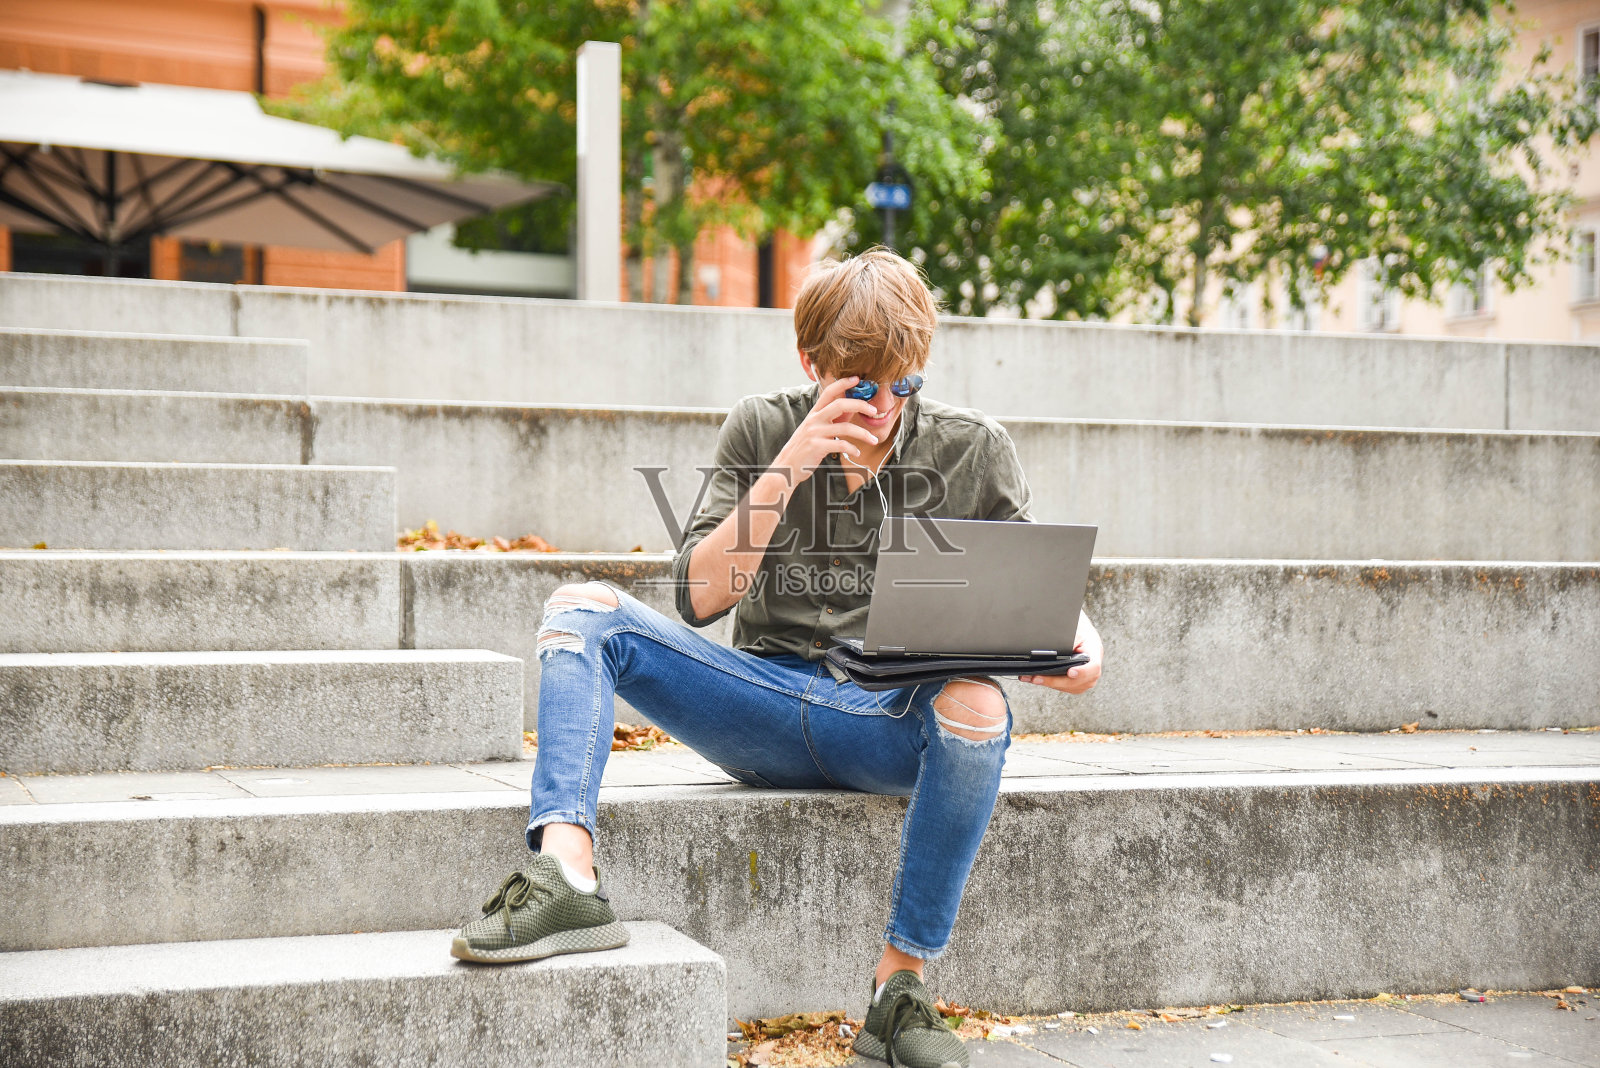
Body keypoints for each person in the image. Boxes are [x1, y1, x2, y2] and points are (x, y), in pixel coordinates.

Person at [451, 247, 1104, 1068]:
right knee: (580, 611)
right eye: (860, 388)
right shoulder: (761, 425)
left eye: (902, 385)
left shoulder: (972, 447)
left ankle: (898, 992)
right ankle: (567, 879)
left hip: (880, 720)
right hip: (756, 703)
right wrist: (793, 462)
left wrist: (1084, 640)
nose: (883, 408)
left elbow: (1032, 579)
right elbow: (701, 598)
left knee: (978, 703)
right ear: (811, 363)